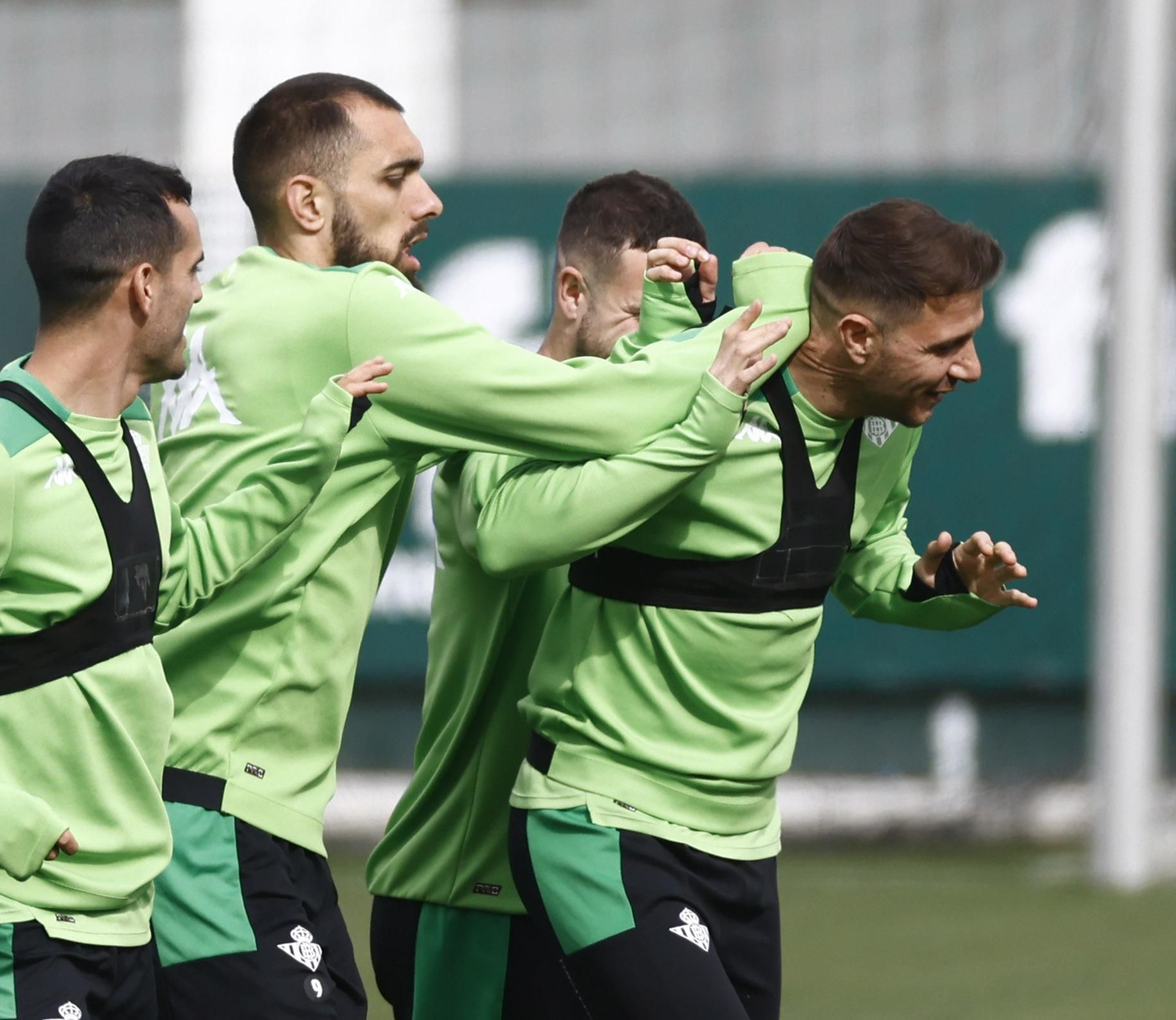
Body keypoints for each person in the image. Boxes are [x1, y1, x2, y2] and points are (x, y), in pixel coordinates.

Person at [146, 73, 793, 1019]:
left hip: (192, 792)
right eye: (398, 176)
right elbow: (590, 414)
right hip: (246, 811)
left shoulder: (219, 313)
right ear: (310, 201)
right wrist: (774, 313)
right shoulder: (354, 311)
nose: (428, 200)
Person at [0, 154, 390, 1020]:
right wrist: (3, 822)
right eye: (194, 274)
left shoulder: (130, 433)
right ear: (144, 288)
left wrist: (313, 446)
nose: (201, 298)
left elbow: (168, 588)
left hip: (117, 915)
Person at [476, 199, 1037, 1020]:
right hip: (601, 815)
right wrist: (699, 423)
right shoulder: (696, 375)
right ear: (856, 338)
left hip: (742, 838)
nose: (971, 367)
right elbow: (506, 532)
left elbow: (863, 557)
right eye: (946, 346)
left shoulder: (889, 419)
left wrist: (942, 586)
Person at [364, 171, 737, 1020]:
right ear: (571, 292)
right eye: (641, 316)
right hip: (471, 882)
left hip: (606, 875)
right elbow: (503, 534)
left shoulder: (671, 426)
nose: (656, 349)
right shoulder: (492, 428)